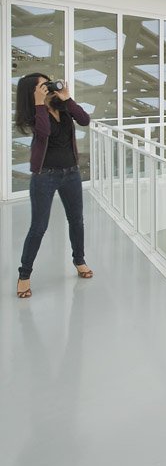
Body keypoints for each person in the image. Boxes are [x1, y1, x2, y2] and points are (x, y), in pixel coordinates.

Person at [14, 73, 94, 298]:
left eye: (47, 83)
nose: (47, 88)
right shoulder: (33, 114)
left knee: (76, 220)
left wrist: (68, 99)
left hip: (71, 173)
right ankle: (24, 275)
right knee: (39, 227)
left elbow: (85, 120)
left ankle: (79, 261)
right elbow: (44, 133)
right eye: (42, 86)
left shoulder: (64, 106)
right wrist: (40, 104)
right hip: (44, 176)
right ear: (32, 92)